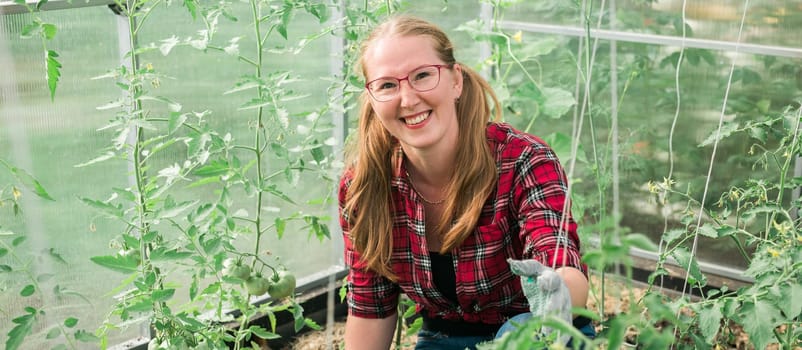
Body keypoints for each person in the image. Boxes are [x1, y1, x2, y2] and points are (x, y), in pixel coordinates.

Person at [338, 15, 594, 350]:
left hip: (539, 331)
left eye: (423, 76)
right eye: (387, 85)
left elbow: (559, 258)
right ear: (372, 98)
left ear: (455, 81)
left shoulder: (522, 160)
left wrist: (556, 290)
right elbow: (370, 310)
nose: (408, 98)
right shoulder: (364, 188)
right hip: (446, 338)